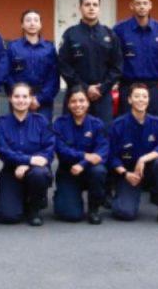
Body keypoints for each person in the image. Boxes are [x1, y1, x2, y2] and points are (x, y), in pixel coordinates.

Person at [108, 83, 158, 226]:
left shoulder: (157, 122)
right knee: (125, 212)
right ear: (129, 100)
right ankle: (119, 195)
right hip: (130, 173)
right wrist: (125, 173)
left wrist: (143, 159)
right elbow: (111, 156)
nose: (141, 100)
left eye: (144, 96)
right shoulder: (118, 125)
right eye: (137, 96)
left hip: (151, 170)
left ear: (149, 100)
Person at [0, 83, 55, 226]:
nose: (21, 100)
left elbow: (49, 149)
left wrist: (27, 164)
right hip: (11, 171)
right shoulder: (0, 123)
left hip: (35, 171)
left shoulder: (41, 121)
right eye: (17, 96)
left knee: (39, 174)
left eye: (25, 96)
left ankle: (34, 209)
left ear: (31, 99)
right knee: (8, 217)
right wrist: (29, 159)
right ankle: (20, 199)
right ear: (10, 98)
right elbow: (2, 151)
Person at [57, 0, 123, 124]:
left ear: (99, 8)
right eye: (87, 4)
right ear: (80, 8)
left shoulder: (109, 34)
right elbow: (64, 65)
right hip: (76, 94)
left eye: (95, 5)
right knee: (73, 131)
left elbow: (117, 66)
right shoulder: (70, 34)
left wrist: (102, 88)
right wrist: (85, 88)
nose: (91, 8)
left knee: (104, 132)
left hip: (103, 95)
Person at [52, 86, 109, 224]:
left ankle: (94, 209)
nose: (78, 105)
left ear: (88, 103)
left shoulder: (97, 124)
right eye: (73, 101)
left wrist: (83, 163)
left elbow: (102, 151)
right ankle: (61, 196)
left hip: (89, 170)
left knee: (99, 170)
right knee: (72, 215)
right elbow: (61, 150)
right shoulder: (59, 124)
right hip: (68, 171)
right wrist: (85, 155)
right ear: (68, 104)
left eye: (82, 100)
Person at [114, 0, 158, 118]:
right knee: (127, 125)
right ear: (131, 6)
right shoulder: (119, 30)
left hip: (153, 88)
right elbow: (114, 58)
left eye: (145, 3)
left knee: (155, 124)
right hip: (128, 86)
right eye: (138, 3)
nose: (142, 6)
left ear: (150, 5)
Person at [3, 10, 59, 120]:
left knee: (43, 128)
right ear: (22, 25)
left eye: (35, 20)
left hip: (42, 99)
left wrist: (39, 99)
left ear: (40, 24)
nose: (32, 23)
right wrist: (19, 95)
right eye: (28, 20)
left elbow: (54, 76)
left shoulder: (49, 48)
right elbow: (7, 74)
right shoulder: (13, 47)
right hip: (19, 97)